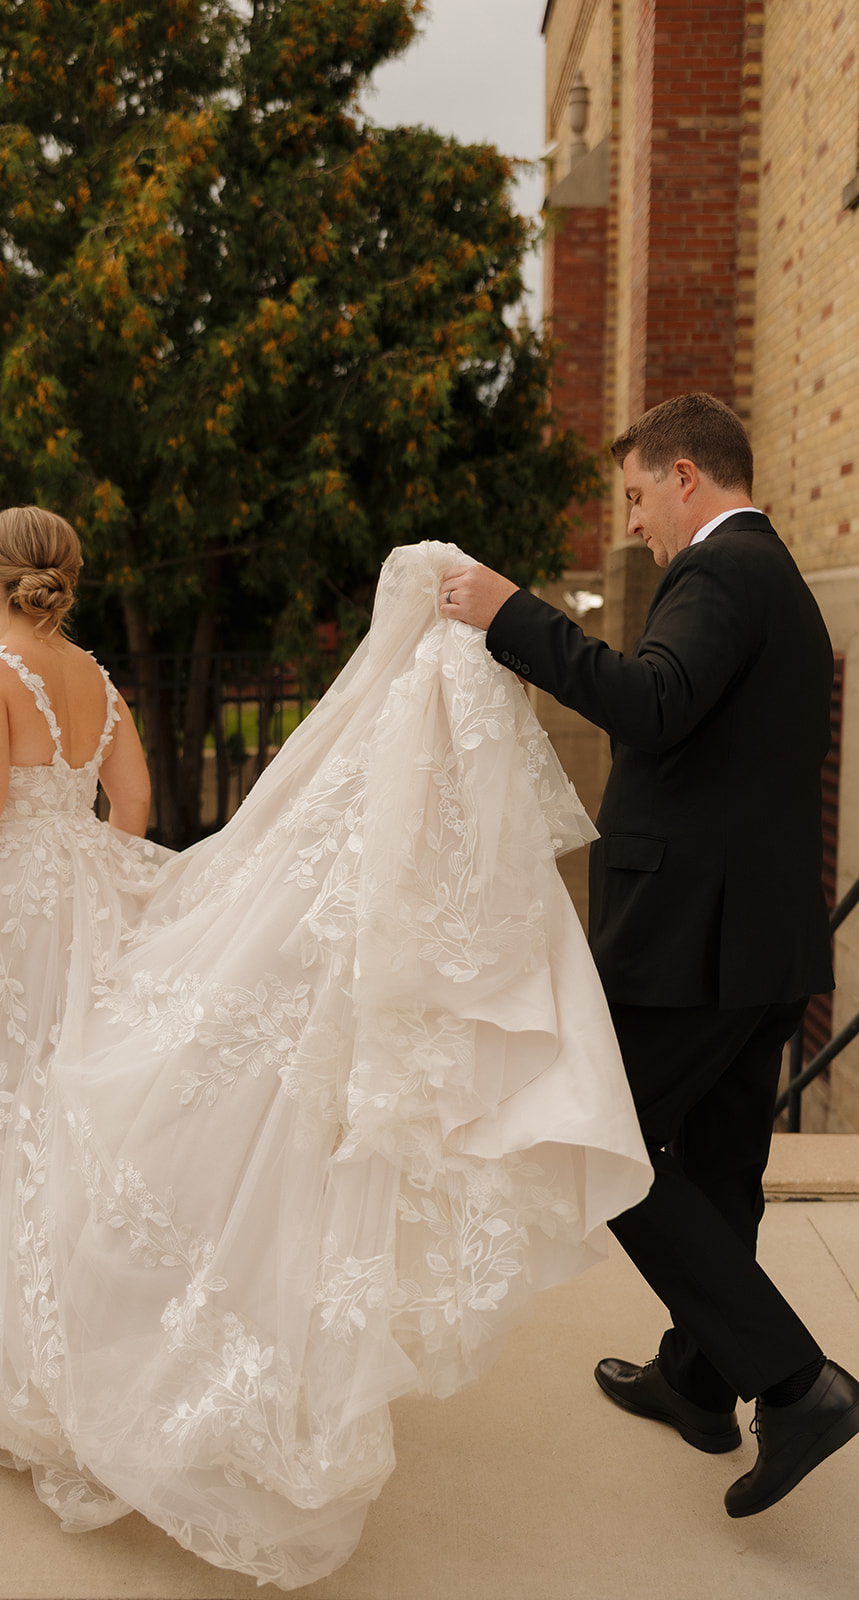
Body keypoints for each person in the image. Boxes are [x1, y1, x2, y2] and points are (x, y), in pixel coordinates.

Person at [0, 509, 652, 1588]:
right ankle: (79, 1335)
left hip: (1, 919)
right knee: (59, 1125)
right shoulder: (94, 677)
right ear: (63, 580)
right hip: (82, 897)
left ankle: (8, 1357)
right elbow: (128, 804)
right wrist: (85, 876)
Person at [439, 390, 859, 1520]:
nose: (630, 522)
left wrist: (509, 614)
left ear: (685, 476)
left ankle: (792, 1381)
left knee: (596, 1140)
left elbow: (652, 702)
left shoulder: (721, 573)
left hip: (696, 944)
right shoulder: (767, 580)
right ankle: (696, 1379)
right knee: (716, 1166)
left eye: (632, 494)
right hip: (757, 941)